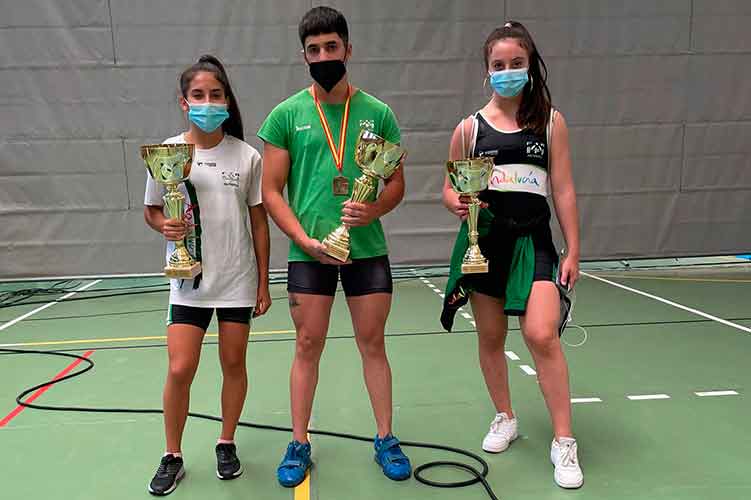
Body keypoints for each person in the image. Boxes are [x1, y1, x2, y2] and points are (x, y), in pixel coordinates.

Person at [258, 6, 411, 488]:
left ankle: (385, 437)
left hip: (366, 250)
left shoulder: (378, 113)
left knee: (373, 343)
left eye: (331, 47)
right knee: (307, 344)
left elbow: (397, 185)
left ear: (348, 49)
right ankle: (299, 442)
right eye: (314, 50)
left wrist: (374, 209)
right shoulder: (286, 115)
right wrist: (303, 240)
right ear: (303, 56)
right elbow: (270, 191)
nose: (323, 56)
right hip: (310, 254)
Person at [441, 21, 583, 489]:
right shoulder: (469, 129)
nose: (507, 72)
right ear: (487, 72)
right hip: (486, 245)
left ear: (529, 66)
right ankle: (505, 415)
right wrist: (454, 202)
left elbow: (561, 188)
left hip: (534, 241)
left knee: (542, 335)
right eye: (498, 66)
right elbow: (450, 187)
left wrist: (573, 249)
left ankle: (564, 441)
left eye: (515, 64)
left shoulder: (550, 122)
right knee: (490, 336)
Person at [143, 55, 271, 496]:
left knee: (233, 364)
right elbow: (152, 209)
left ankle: (226, 441)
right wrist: (165, 226)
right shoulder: (168, 153)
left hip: (237, 281)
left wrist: (263, 282)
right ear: (184, 102)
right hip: (188, 282)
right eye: (198, 95)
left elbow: (258, 222)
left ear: (227, 100)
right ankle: (172, 454)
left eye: (216, 95)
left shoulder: (248, 155)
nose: (207, 102)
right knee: (181, 368)